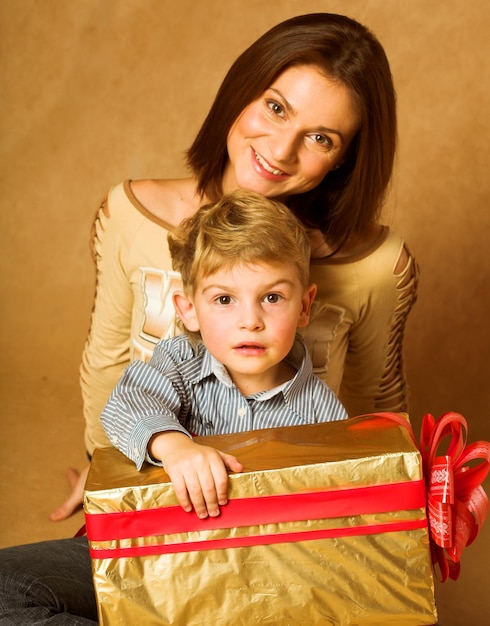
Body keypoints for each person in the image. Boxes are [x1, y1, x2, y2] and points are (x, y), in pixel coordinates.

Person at [0, 13, 418, 623]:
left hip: (281, 544)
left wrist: (417, 501)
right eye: (276, 108)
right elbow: (111, 364)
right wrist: (116, 466)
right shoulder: (132, 216)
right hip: (156, 508)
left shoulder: (373, 267)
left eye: (322, 138)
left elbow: (376, 406)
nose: (280, 151)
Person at [100, 190, 347, 519]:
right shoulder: (179, 363)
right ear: (189, 310)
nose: (250, 322)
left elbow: (341, 491)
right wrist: (175, 446)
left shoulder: (320, 408)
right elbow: (126, 403)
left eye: (272, 298)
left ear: (303, 307)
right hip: (181, 544)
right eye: (224, 300)